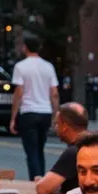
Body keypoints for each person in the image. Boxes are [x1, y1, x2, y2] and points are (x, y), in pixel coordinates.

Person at [9, 34, 59, 179]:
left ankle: (35, 180)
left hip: (28, 111)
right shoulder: (48, 67)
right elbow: (54, 93)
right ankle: (41, 178)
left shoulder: (20, 67)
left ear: (25, 48)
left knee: (31, 151)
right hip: (45, 112)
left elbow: (19, 92)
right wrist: (56, 114)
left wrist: (13, 117)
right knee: (40, 150)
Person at [31, 101, 88, 194]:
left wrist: (46, 183)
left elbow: (42, 189)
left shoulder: (74, 152)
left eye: (57, 124)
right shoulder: (95, 144)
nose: (55, 128)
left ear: (65, 127)